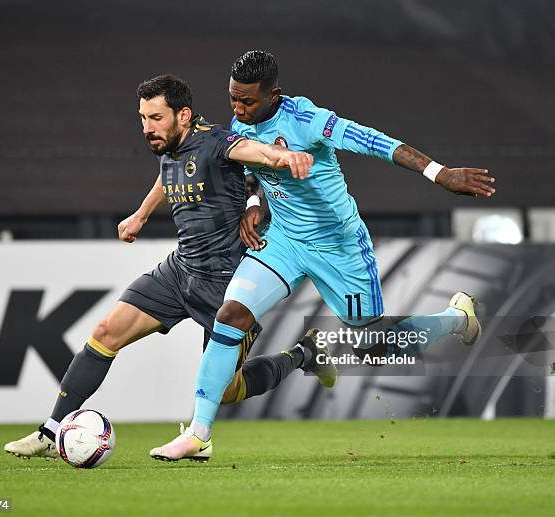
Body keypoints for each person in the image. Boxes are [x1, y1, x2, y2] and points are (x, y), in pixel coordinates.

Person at [150, 51, 496, 462]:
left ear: (273, 94)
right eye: (232, 98)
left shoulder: (308, 120)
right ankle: (198, 433)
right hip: (283, 241)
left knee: (377, 347)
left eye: (247, 101)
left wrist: (439, 173)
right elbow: (249, 171)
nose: (237, 109)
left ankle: (458, 318)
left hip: (339, 247)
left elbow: (374, 141)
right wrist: (255, 203)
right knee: (231, 316)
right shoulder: (242, 123)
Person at [3, 74, 337, 460]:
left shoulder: (215, 142)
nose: (148, 128)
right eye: (143, 118)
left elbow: (255, 152)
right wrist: (141, 215)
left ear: (184, 115)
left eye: (156, 118)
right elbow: (169, 177)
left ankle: (304, 354)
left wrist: (284, 156)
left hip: (227, 287)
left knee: (227, 391)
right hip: (179, 272)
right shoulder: (170, 146)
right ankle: (51, 430)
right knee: (106, 331)